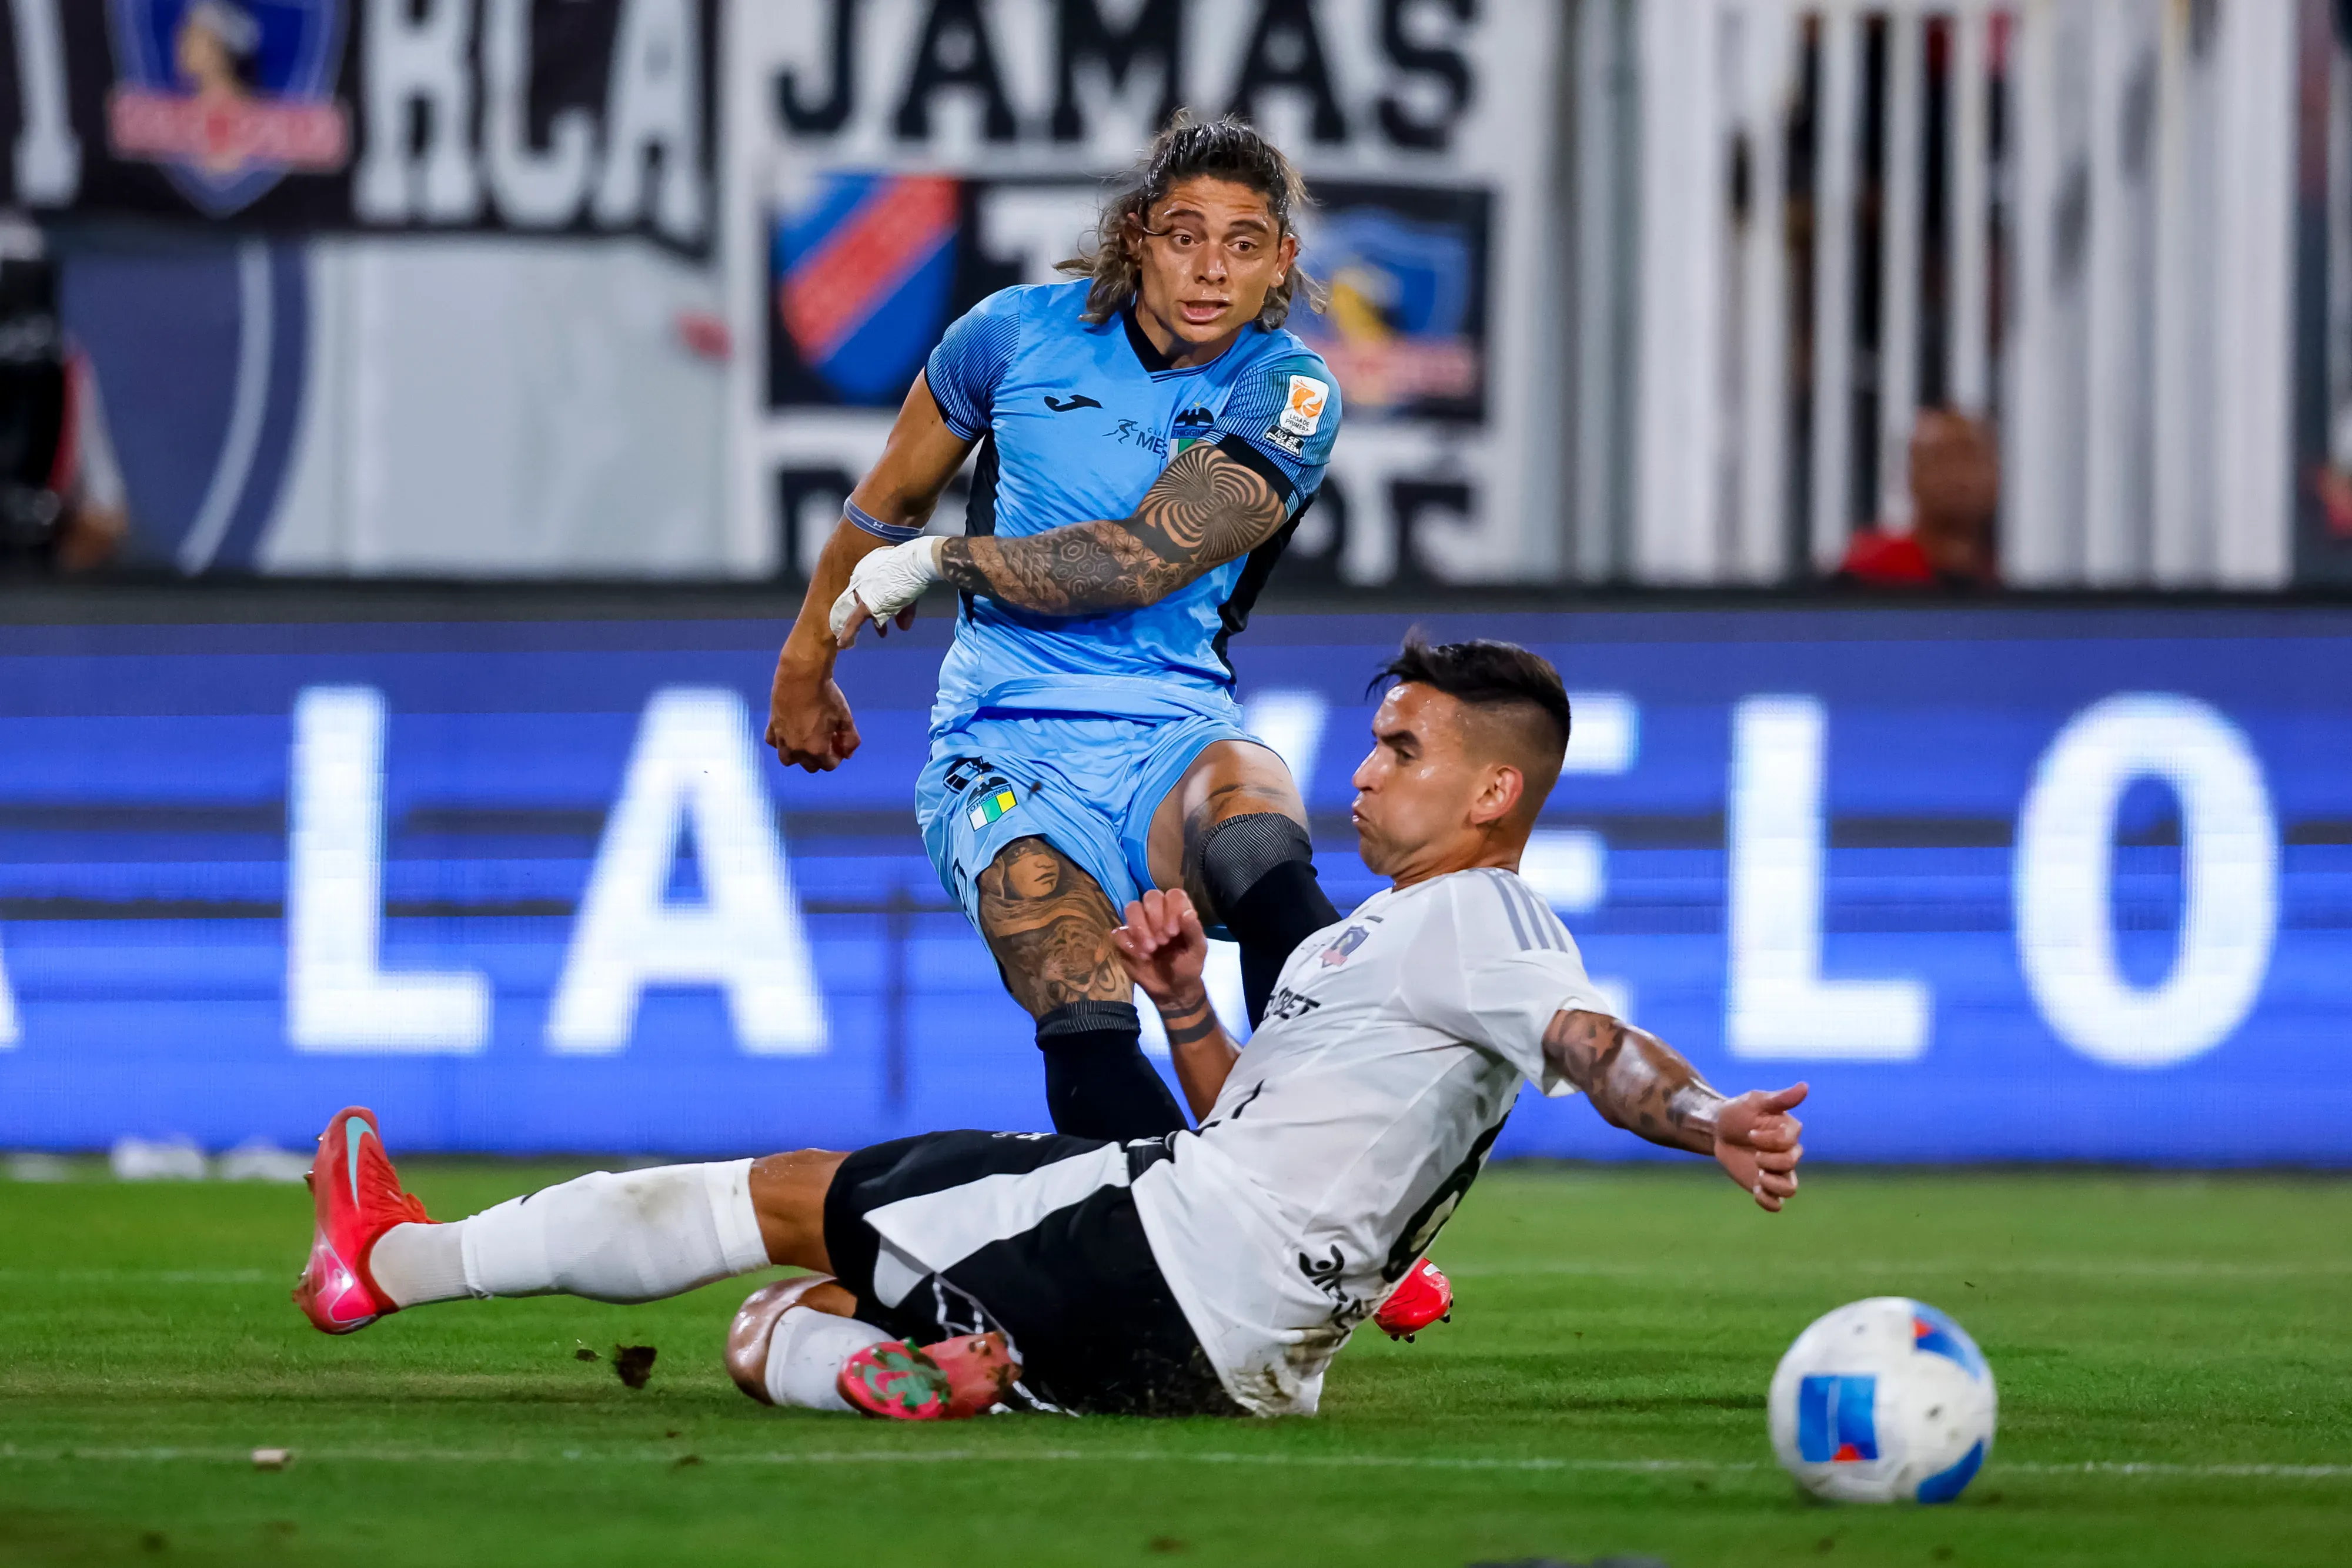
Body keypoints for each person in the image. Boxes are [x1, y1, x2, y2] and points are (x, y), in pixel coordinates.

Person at [294, 637, 1809, 1420]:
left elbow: (1598, 1048)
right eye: (1369, 739)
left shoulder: (1484, 920)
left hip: (1164, 1251)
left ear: (1493, 796)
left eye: (1402, 749)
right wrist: (1187, 1008)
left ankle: (385, 1265)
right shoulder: (1383, 943)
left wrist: (1702, 1116)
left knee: (764, 1205)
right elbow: (1260, 1126)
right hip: (1239, 1362)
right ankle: (920, 1374)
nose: (1364, 772)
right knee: (777, 1340)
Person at [763, 116, 1347, 1150]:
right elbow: (882, 504)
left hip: (1172, 727)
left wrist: (943, 562)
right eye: (1184, 234)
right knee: (1082, 1009)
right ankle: (1165, 1252)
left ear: (1282, 262)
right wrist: (805, 663)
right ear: (1135, 237)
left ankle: (1333, 1170)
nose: (1211, 269)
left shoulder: (1289, 390)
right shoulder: (1011, 334)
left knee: (1262, 844)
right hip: (1003, 741)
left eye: (1244, 243)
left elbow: (1138, 561)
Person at [1836, 409, 1999, 588]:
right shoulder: (1869, 575)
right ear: (1911, 474)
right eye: (1941, 459)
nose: (1959, 477)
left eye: (1973, 458)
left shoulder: (2011, 577)